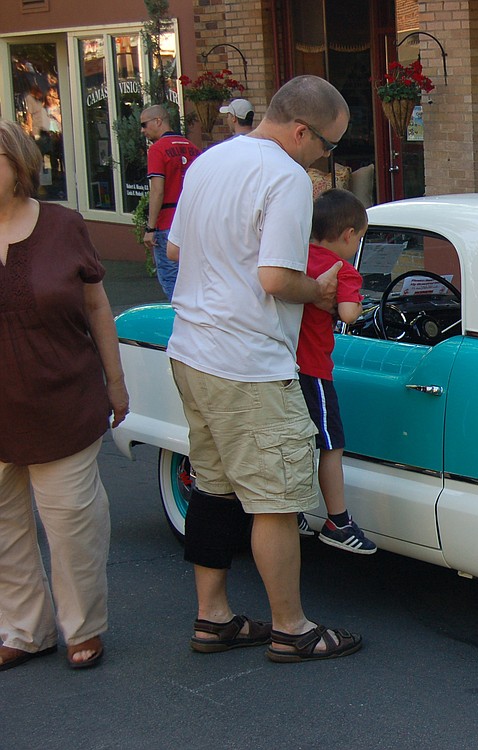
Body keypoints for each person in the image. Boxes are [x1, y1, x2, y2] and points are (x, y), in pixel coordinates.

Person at [165, 75, 362, 662]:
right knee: (275, 499)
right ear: (301, 131)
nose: (327, 161)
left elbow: (175, 249)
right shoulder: (285, 178)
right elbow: (276, 279)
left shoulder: (208, 161)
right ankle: (291, 627)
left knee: (214, 489)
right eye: (328, 147)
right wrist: (320, 290)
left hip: (192, 349)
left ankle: (214, 616)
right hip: (248, 361)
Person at [0, 119, 129, 671]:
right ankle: (23, 631)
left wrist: (115, 379)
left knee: (74, 526)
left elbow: (97, 305)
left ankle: (82, 627)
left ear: (18, 164)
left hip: (62, 400)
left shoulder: (63, 225)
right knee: (3, 530)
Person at [294, 189, 376, 554]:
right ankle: (338, 520)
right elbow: (347, 314)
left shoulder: (295, 257)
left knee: (292, 441)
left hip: (281, 363)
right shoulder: (343, 269)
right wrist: (356, 300)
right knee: (331, 444)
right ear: (348, 236)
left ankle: (290, 510)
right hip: (314, 367)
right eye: (358, 238)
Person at [141, 105, 200, 300]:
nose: (143, 130)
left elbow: (157, 190)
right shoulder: (193, 148)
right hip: (193, 222)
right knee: (195, 280)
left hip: (168, 223)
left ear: (158, 121)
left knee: (172, 284)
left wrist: (150, 228)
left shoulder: (157, 150)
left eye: (144, 124)